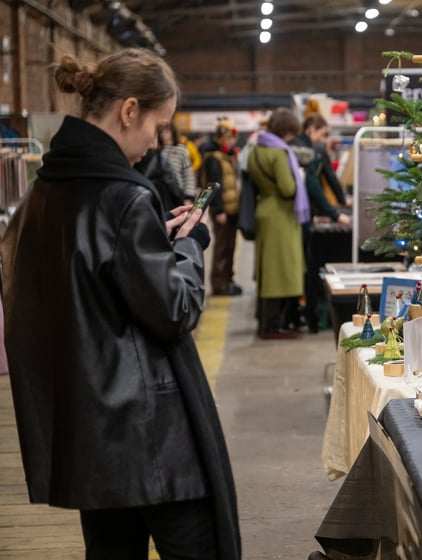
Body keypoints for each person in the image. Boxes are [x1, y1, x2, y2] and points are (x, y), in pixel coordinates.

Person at [0, 49, 240, 559]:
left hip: (88, 431)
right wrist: (190, 246)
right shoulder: (125, 197)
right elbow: (174, 310)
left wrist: (160, 244)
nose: (157, 141)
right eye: (158, 125)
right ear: (129, 111)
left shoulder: (40, 197)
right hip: (152, 432)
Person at [248, 107, 310, 339]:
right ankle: (274, 324)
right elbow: (287, 188)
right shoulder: (279, 152)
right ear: (286, 130)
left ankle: (264, 319)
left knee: (267, 271)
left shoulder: (256, 150)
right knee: (282, 271)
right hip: (281, 216)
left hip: (263, 209)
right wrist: (299, 179)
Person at [291, 114, 351, 333]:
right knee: (306, 268)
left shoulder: (304, 148)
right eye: (323, 134)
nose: (325, 140)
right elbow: (315, 186)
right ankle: (307, 316)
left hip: (301, 215)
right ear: (310, 129)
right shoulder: (308, 152)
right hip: (300, 218)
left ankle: (300, 315)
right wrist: (335, 214)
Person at [201, 118, 242, 296]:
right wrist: (218, 210)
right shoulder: (213, 158)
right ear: (221, 138)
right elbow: (213, 185)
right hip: (223, 210)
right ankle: (219, 284)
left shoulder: (226, 156)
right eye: (229, 138)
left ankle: (228, 279)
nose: (232, 142)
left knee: (230, 246)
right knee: (221, 247)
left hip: (232, 209)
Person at [160, 117, 197, 202]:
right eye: (161, 131)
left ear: (173, 132)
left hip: (179, 194)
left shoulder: (181, 150)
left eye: (167, 131)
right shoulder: (156, 151)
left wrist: (189, 197)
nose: (163, 134)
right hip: (162, 194)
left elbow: (188, 174)